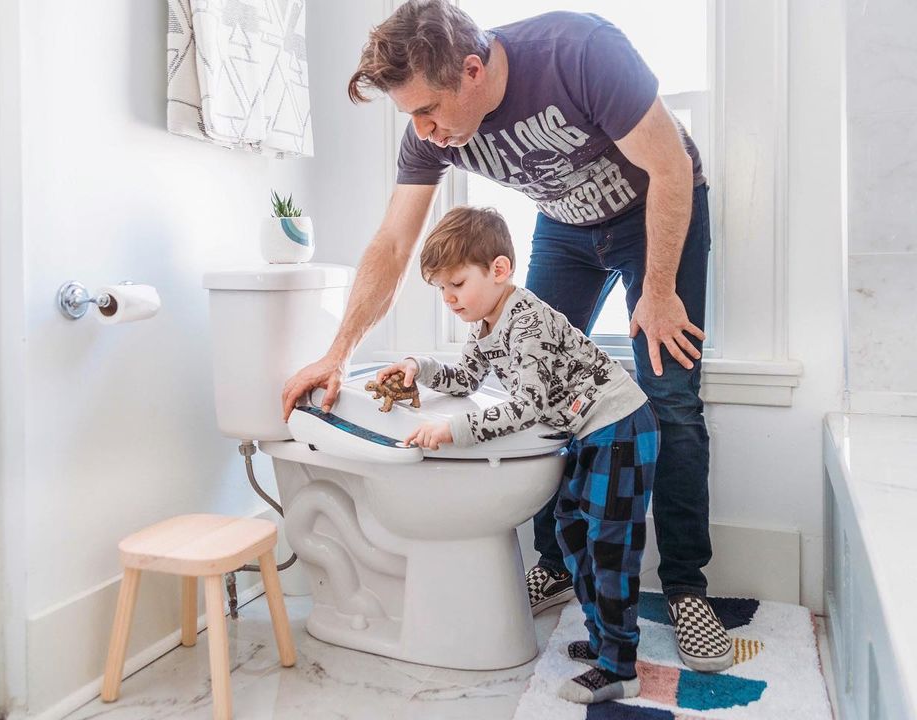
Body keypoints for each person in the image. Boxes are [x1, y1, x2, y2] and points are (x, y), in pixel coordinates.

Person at [281, 0, 733, 672]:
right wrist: (337, 352)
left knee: (669, 395)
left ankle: (688, 589)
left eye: (428, 111)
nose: (423, 131)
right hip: (566, 226)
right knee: (528, 383)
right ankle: (554, 562)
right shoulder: (430, 132)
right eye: (411, 117)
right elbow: (394, 241)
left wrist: (658, 291)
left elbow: (669, 168)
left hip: (656, 212)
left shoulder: (579, 52)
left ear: (471, 70)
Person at [381, 205, 656, 703]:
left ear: (499, 270)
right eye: (441, 289)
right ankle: (602, 641)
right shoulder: (487, 324)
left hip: (619, 427)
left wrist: (453, 430)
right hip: (590, 434)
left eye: (457, 284)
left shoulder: (526, 321)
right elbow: (465, 378)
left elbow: (527, 405)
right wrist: (416, 366)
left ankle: (620, 666)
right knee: (574, 534)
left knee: (608, 547)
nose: (449, 299)